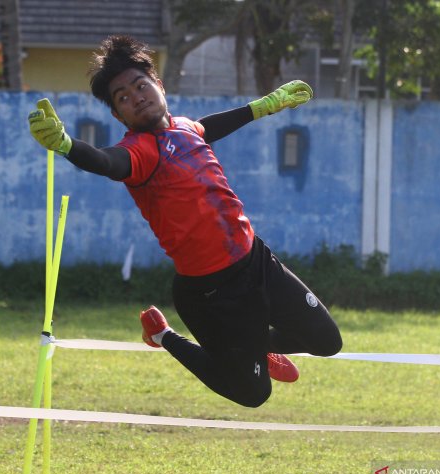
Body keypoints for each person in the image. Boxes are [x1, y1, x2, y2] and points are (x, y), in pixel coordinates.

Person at [28, 35, 342, 408]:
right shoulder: (138, 151)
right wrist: (66, 145)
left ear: (159, 86)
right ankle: (162, 335)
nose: (137, 96)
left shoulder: (184, 127)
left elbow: (209, 127)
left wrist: (263, 107)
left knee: (326, 342)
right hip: (210, 292)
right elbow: (106, 162)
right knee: (253, 394)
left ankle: (254, 349)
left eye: (141, 85)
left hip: (256, 262)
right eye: (123, 97)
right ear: (118, 115)